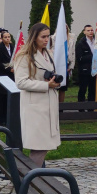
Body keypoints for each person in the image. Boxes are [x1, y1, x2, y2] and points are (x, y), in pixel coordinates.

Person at [14, 23, 61, 167]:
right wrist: (45, 85)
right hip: (35, 107)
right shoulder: (24, 56)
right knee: (39, 145)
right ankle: (30, 175)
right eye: (43, 37)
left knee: (43, 144)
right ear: (34, 37)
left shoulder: (48, 54)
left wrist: (54, 82)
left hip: (49, 104)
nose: (46, 40)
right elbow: (21, 82)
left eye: (48, 36)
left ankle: (33, 174)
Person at [50, 24, 76, 103]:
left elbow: (73, 54)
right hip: (55, 66)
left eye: (66, 28)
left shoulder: (70, 40)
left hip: (66, 66)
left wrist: (71, 66)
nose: (64, 29)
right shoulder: (52, 38)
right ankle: (54, 105)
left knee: (63, 88)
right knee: (54, 87)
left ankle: (61, 106)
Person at [75, 24, 97, 102]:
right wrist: (92, 56)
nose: (90, 32)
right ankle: (81, 107)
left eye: (91, 30)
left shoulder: (96, 42)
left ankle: (91, 106)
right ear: (84, 32)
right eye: (88, 30)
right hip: (84, 71)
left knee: (93, 90)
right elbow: (79, 58)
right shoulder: (81, 43)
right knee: (83, 89)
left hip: (94, 70)